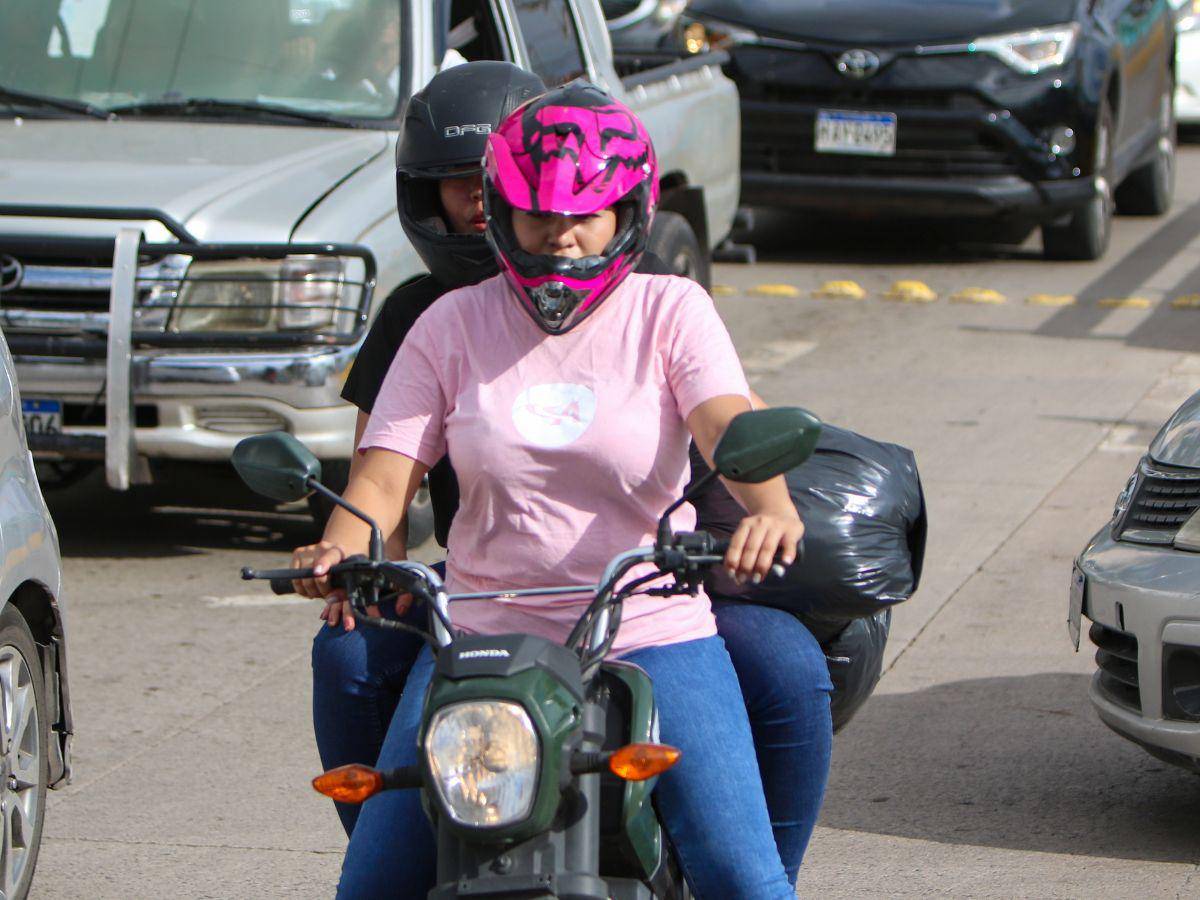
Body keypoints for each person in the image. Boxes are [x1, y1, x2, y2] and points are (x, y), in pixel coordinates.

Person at [310, 65, 833, 887]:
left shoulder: (671, 310)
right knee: (370, 884)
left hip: (650, 626)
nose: (560, 235)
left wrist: (772, 508)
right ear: (504, 214)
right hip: (477, 638)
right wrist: (338, 549)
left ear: (626, 214)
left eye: (583, 215)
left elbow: (726, 422)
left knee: (743, 876)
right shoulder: (449, 323)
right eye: (536, 213)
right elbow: (381, 481)